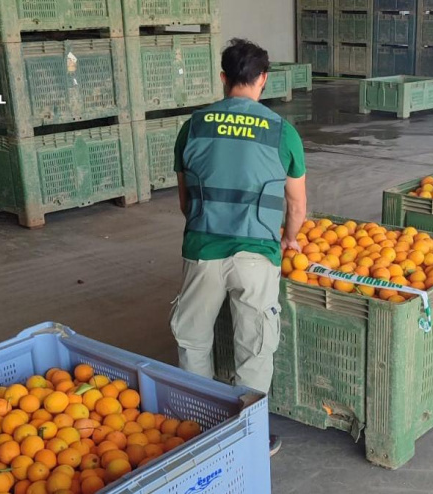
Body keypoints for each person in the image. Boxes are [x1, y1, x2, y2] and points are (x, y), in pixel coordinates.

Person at [170, 38, 307, 457]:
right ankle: (248, 434)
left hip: (203, 248)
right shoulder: (282, 132)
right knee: (254, 347)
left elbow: (184, 198)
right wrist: (288, 237)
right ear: (263, 79)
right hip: (257, 256)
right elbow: (296, 203)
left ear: (224, 77)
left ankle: (201, 426)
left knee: (194, 340)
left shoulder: (193, 126)